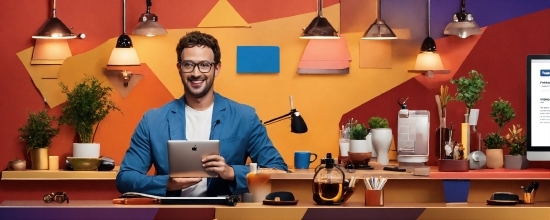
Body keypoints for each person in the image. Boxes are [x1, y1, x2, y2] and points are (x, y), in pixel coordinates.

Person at [116, 31, 288, 197]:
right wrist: (167, 183)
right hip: (171, 215)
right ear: (179, 68)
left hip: (224, 215)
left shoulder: (245, 117)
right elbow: (125, 178)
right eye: (188, 65)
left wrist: (232, 172)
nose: (196, 73)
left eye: (204, 65)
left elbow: (278, 170)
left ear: (217, 68)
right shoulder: (152, 121)